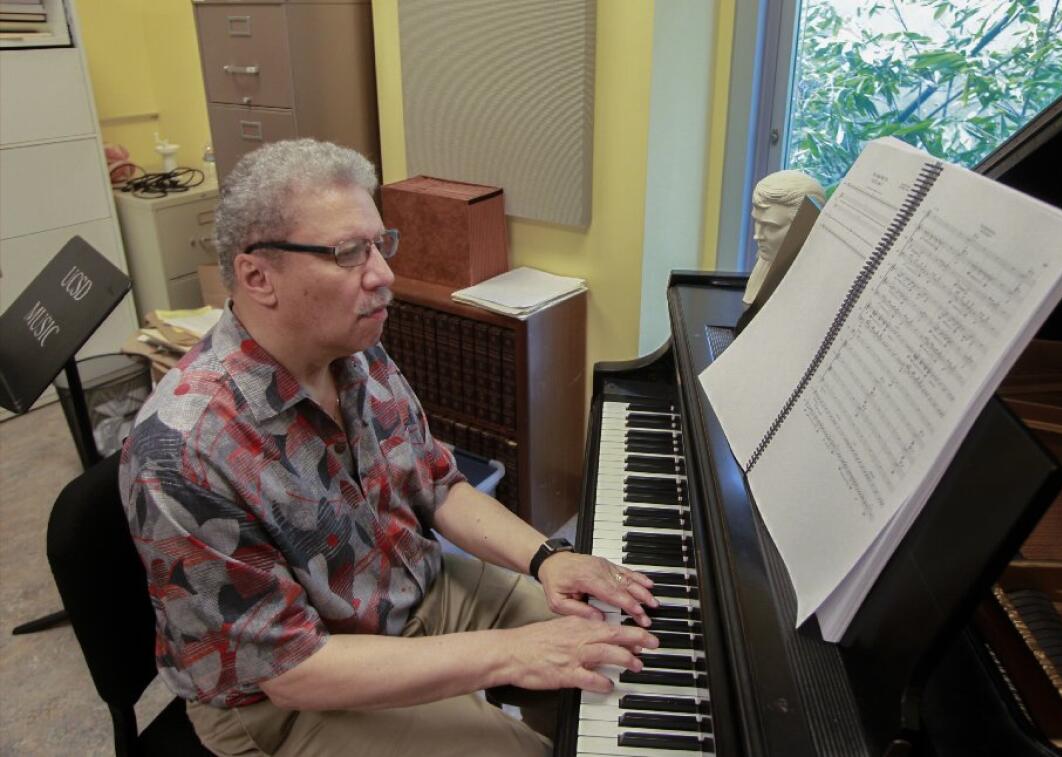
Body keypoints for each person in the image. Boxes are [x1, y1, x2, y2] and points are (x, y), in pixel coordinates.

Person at [120, 139, 659, 757]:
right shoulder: (182, 449)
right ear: (257, 276)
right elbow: (290, 670)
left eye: (379, 244)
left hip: (411, 593)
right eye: (348, 253)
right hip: (286, 695)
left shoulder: (354, 348)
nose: (383, 274)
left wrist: (548, 559)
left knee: (622, 650)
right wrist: (509, 654)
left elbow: (436, 482)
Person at [744, 169, 826, 305]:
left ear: (807, 224)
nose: (757, 235)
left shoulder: (814, 286)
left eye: (771, 227)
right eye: (756, 221)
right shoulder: (766, 260)